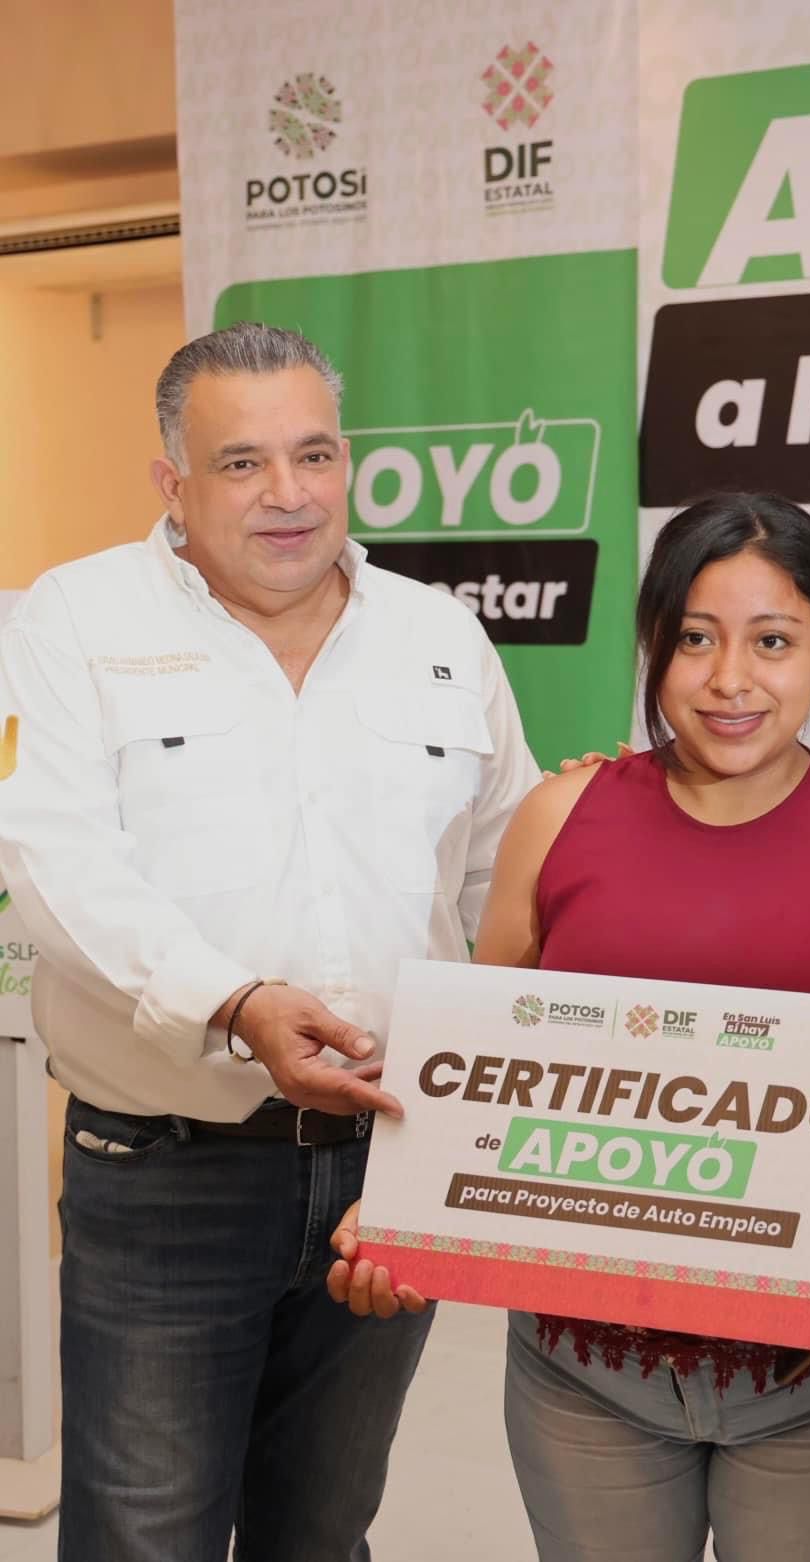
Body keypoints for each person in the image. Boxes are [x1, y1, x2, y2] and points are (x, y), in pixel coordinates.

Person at [330, 493, 810, 1562]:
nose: (730, 679)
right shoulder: (560, 814)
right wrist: (401, 1216)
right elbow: (477, 1065)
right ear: (654, 646)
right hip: (584, 1379)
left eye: (773, 641)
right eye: (695, 639)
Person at [0, 322, 537, 1562]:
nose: (288, 493)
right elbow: (52, 859)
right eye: (241, 463)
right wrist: (236, 1001)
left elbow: (508, 881)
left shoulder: (440, 635)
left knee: (322, 1532)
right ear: (172, 481)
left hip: (388, 1168)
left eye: (315, 454)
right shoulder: (77, 617)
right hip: (167, 1174)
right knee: (144, 1536)